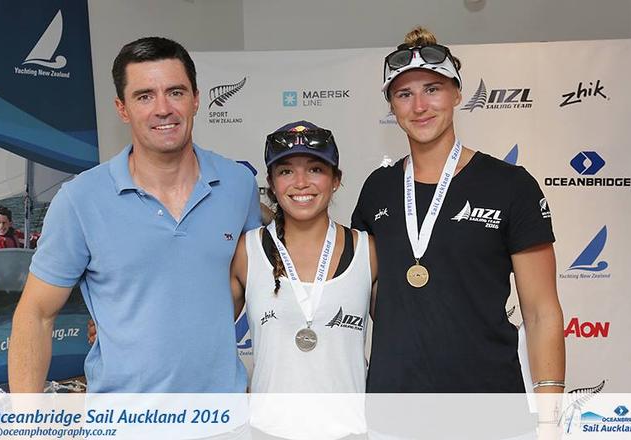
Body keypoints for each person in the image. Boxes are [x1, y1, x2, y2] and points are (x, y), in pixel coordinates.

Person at [8, 37, 261, 395]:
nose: (163, 109)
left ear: (196, 99)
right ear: (122, 108)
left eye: (175, 92)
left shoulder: (238, 184)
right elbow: (35, 314)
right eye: (144, 96)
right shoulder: (81, 199)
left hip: (224, 417)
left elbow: (247, 284)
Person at [351, 26, 565, 395]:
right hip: (394, 406)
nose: (419, 106)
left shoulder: (510, 185)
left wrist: (550, 416)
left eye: (432, 90)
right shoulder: (377, 188)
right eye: (405, 94)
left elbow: (541, 312)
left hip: (488, 404)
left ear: (457, 94)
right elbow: (361, 294)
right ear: (392, 106)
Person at [230, 121, 377, 439]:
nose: (300, 183)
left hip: (350, 431)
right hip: (269, 430)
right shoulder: (247, 250)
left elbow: (407, 337)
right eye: (285, 171)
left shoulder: (368, 250)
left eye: (314, 169)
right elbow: (201, 333)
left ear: (336, 179)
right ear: (270, 182)